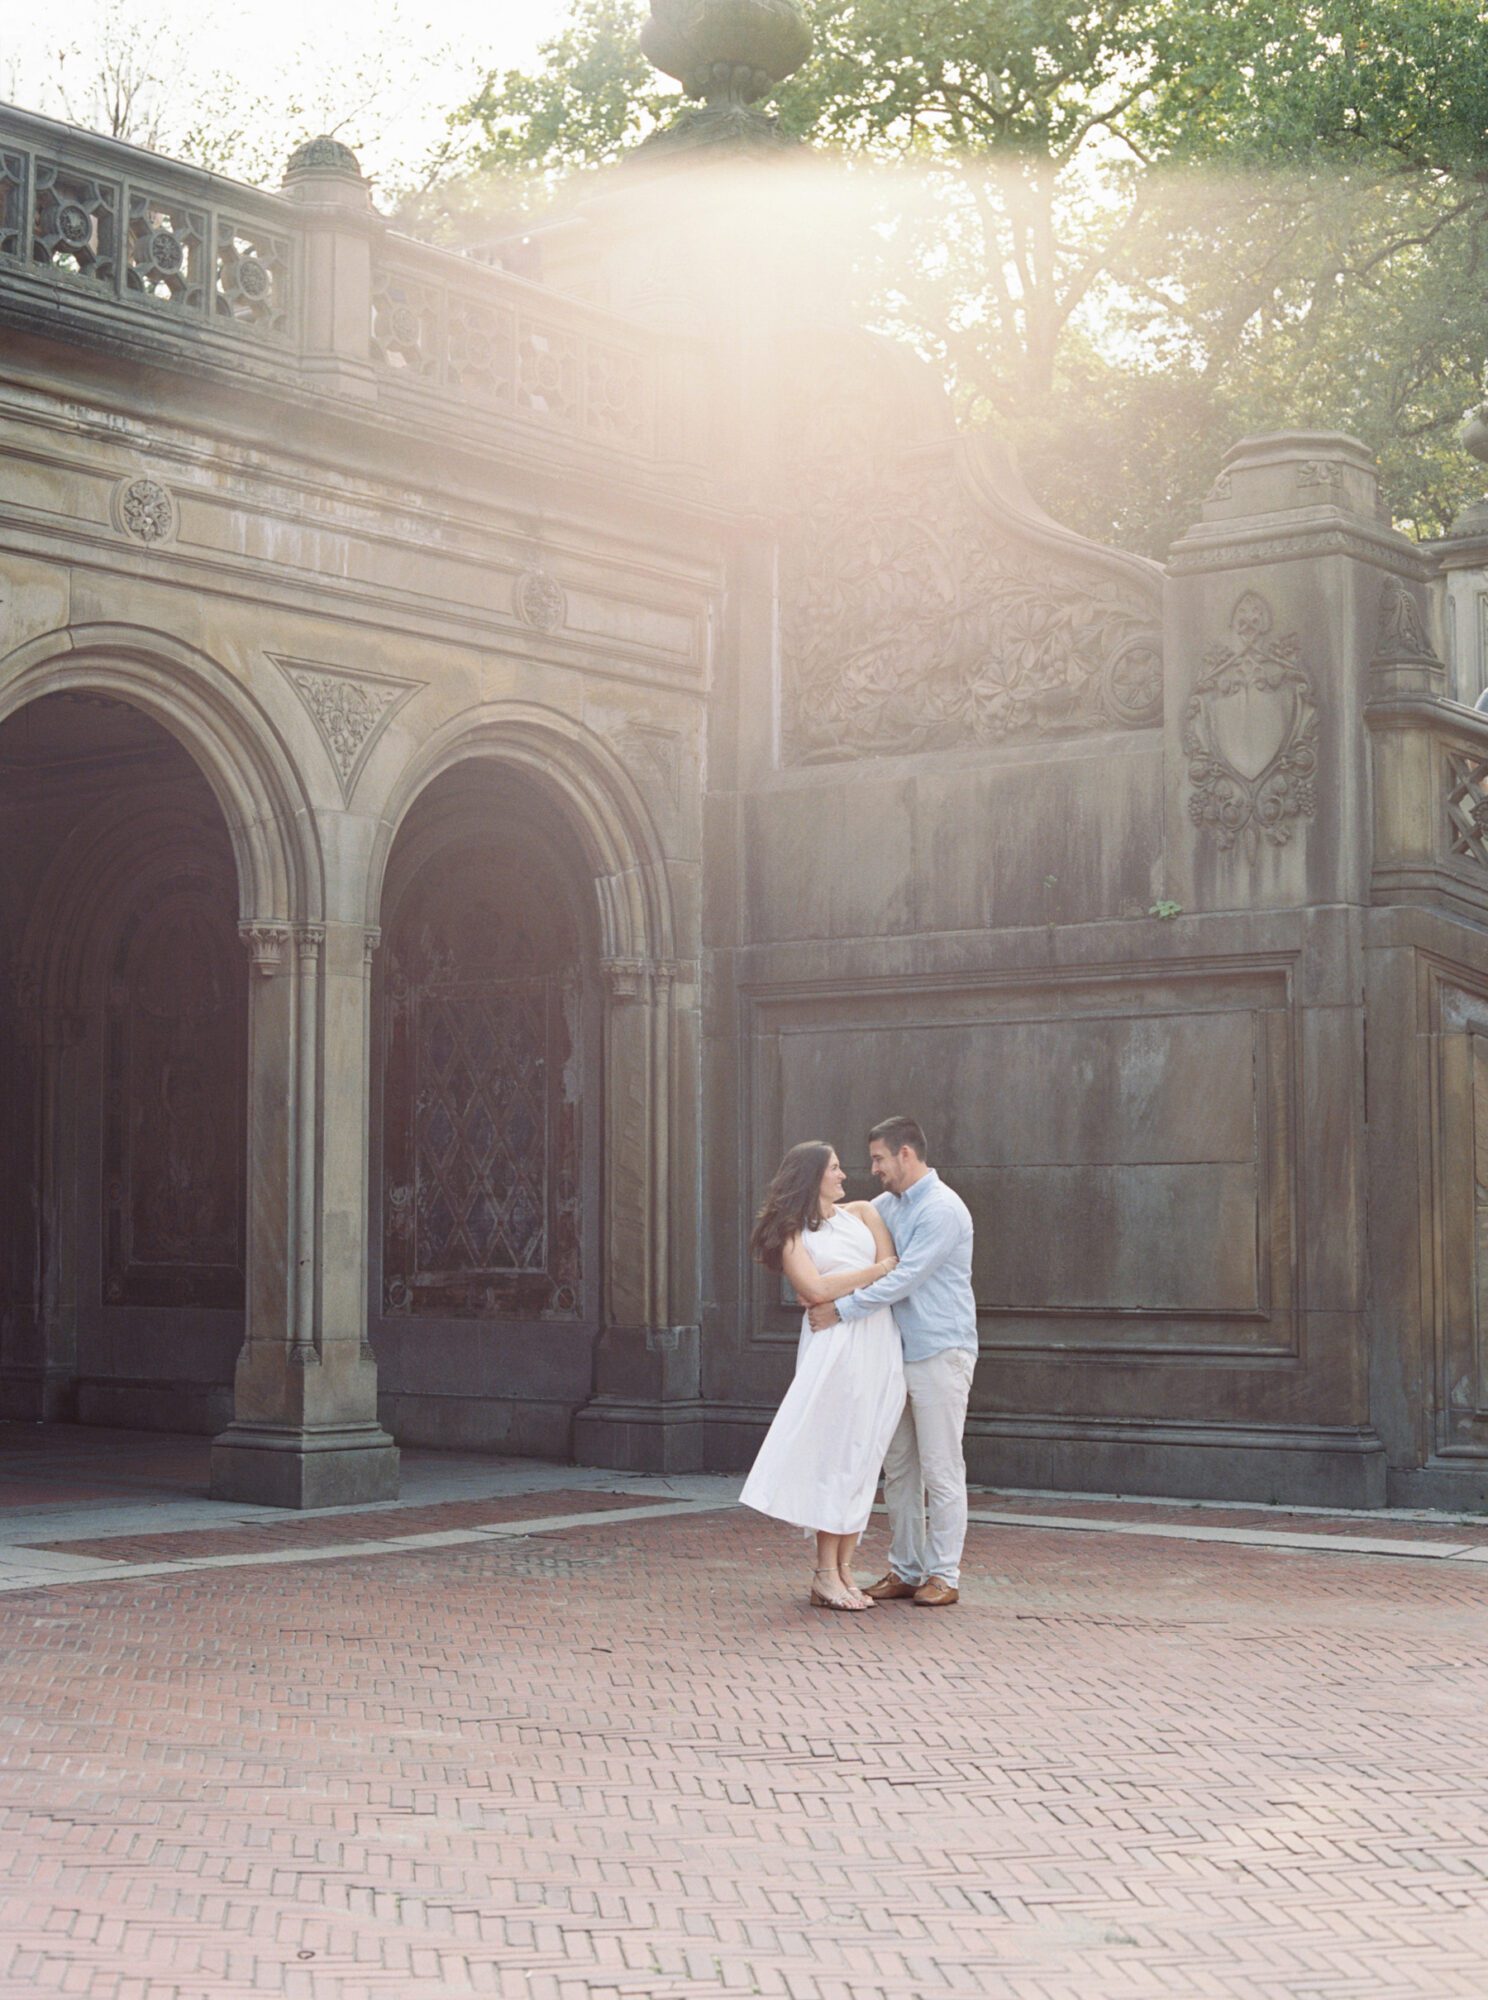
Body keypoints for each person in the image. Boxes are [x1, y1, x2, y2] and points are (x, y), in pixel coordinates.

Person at [807, 1116, 976, 1608]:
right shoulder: (885, 1206)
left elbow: (906, 1278)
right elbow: (838, 1223)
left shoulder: (943, 1210)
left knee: (942, 1468)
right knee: (899, 1469)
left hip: (940, 1351)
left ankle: (944, 1574)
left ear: (906, 1154)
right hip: (894, 1356)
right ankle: (906, 1569)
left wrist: (839, 1309)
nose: (873, 1168)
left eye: (880, 1158)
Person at [739, 1140, 907, 1611]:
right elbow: (813, 1287)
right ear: (812, 1176)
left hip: (878, 1342)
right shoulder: (793, 1233)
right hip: (835, 1350)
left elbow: (893, 1273)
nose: (844, 1176)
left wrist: (846, 1289)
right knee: (837, 1452)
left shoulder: (863, 1214)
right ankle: (823, 1573)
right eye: (834, 1169)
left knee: (864, 1454)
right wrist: (868, 1274)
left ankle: (845, 1570)